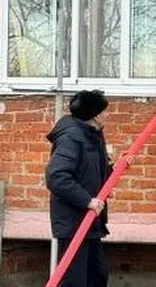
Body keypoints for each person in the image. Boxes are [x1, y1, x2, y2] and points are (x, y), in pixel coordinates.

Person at [45, 90, 113, 287]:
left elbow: (92, 169)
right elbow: (56, 176)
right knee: (75, 280)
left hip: (90, 222)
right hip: (74, 222)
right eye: (104, 111)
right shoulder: (72, 138)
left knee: (98, 275)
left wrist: (112, 171)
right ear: (94, 114)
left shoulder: (93, 135)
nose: (107, 114)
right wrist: (88, 200)